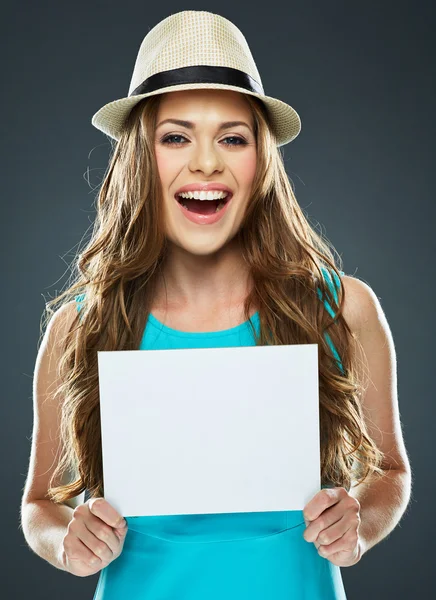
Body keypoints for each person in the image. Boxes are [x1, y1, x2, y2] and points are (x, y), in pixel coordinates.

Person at [20, 10, 411, 600]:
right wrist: (64, 541)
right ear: (140, 160)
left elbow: (391, 473)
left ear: (261, 163)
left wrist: (360, 522)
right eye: (176, 137)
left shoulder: (343, 308)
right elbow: (40, 504)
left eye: (232, 137)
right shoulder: (80, 324)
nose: (206, 162)